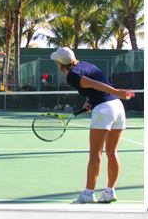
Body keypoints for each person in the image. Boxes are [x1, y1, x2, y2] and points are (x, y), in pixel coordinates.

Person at [51, 47, 134, 204]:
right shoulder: (86, 64)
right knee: (112, 151)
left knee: (95, 154)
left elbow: (93, 83)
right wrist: (91, 102)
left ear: (59, 63)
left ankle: (89, 193)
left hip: (105, 109)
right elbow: (96, 88)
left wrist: (118, 91)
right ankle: (110, 191)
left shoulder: (72, 76)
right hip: (117, 107)